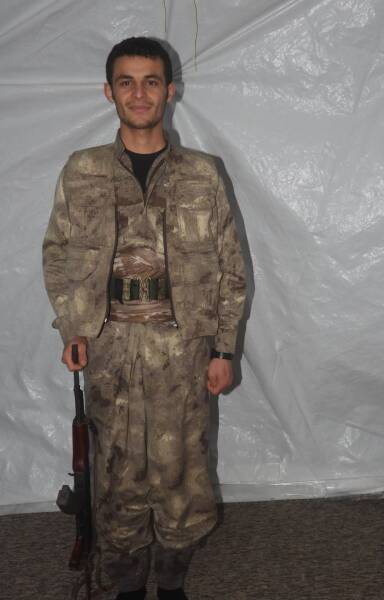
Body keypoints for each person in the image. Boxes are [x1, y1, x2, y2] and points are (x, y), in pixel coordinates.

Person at [42, 37, 246, 600]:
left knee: (183, 477)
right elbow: (57, 255)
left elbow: (231, 266)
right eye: (127, 82)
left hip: (184, 352)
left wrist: (224, 349)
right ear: (109, 92)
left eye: (151, 81)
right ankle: (129, 588)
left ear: (170, 91)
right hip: (110, 349)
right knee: (117, 479)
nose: (139, 93)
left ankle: (172, 585)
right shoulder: (82, 171)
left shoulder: (203, 174)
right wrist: (72, 327)